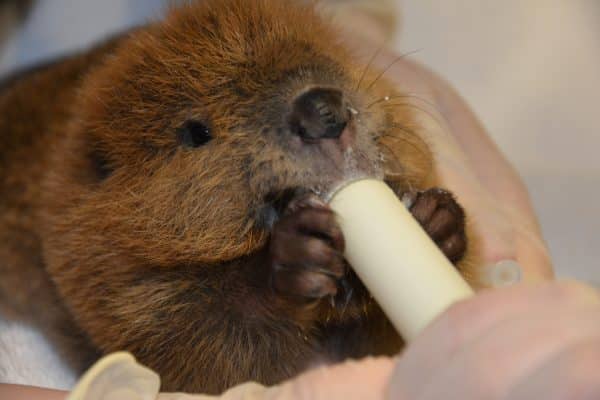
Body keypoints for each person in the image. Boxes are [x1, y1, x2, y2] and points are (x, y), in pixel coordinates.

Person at [4, 1, 597, 399]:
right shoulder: (99, 232)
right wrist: (261, 293)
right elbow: (187, 363)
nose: (327, 121)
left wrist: (437, 244)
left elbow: (395, 331)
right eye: (204, 136)